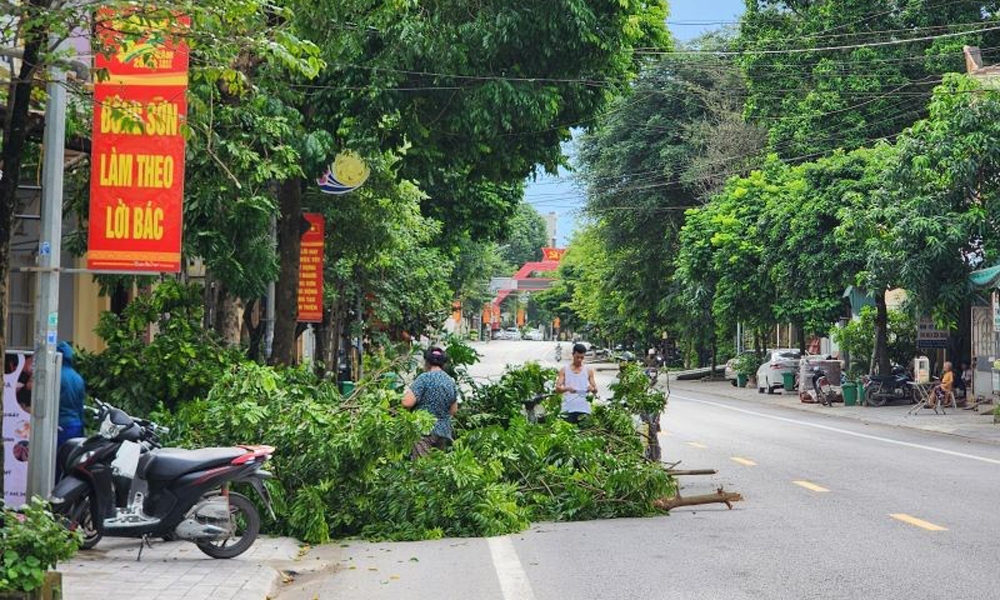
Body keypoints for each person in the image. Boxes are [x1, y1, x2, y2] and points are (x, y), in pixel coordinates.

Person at [403, 346, 457, 458]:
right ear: (443, 364)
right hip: (443, 432)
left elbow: (407, 402)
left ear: (427, 362)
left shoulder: (424, 378)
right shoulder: (450, 381)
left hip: (424, 431)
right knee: (436, 468)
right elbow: (453, 410)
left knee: (422, 468)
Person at [555, 343, 598, 424]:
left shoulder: (588, 370)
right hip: (568, 409)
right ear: (572, 354)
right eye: (577, 357)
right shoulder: (564, 370)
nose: (579, 360)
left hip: (584, 409)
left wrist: (592, 389)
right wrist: (567, 388)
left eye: (582, 358)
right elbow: (557, 389)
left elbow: (595, 390)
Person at [56, 341, 86, 451]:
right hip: (75, 424)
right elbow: (80, 405)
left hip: (59, 425)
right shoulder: (77, 377)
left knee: (57, 461)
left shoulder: (55, 376)